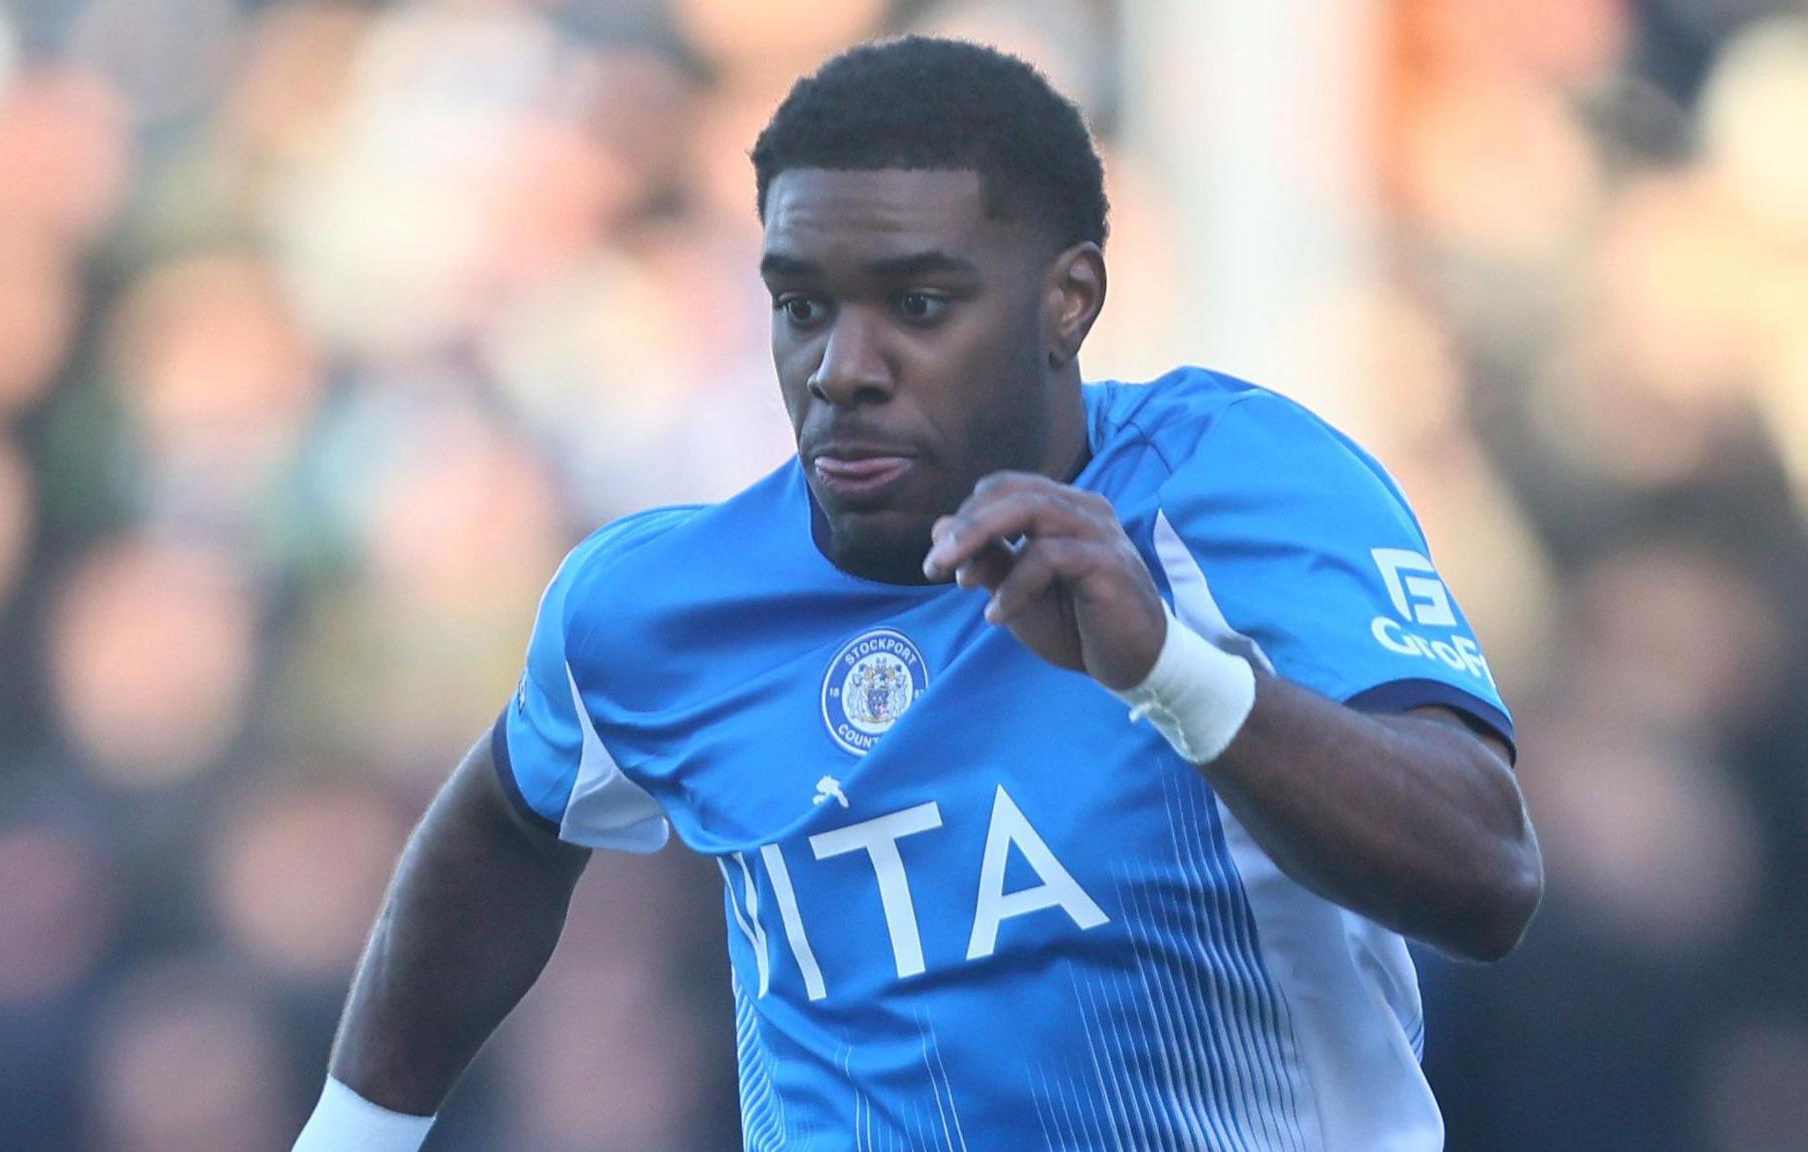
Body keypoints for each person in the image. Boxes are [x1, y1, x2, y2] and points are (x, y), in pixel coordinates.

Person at [293, 35, 1542, 1152]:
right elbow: (508, 824)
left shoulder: (1234, 488)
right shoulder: (655, 607)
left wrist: (1171, 671)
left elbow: (1483, 874)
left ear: (1068, 299)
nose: (841, 369)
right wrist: (351, 1135)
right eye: (800, 307)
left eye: (919, 304)